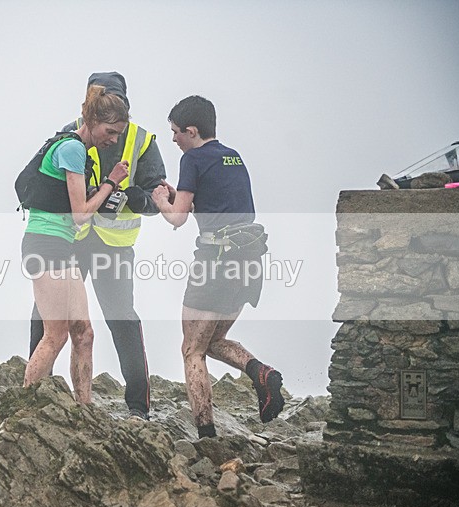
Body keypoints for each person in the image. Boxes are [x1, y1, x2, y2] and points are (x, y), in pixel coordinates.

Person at [29, 72, 165, 420]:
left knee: (121, 319)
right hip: (70, 240)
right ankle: (38, 394)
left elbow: (158, 197)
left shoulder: (142, 140)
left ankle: (138, 406)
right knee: (48, 318)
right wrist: (100, 192)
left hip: (113, 245)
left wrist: (131, 199)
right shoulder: (70, 134)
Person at [151, 95, 284, 438]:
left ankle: (206, 435)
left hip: (216, 261)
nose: (174, 139)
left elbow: (177, 218)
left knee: (191, 349)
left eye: (176, 132)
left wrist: (162, 201)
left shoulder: (192, 158)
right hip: (250, 260)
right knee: (214, 339)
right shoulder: (233, 156)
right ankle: (261, 372)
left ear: (191, 131)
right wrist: (181, 194)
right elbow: (221, 204)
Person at [21, 85, 130, 404]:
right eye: (110, 131)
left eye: (118, 134)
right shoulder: (71, 149)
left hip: (62, 247)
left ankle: (85, 411)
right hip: (44, 245)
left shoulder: (79, 150)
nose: (113, 139)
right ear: (92, 121)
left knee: (84, 333)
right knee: (55, 335)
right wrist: (111, 183)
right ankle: (25, 408)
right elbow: (81, 214)